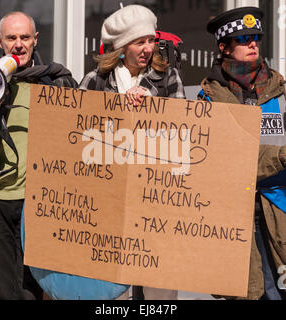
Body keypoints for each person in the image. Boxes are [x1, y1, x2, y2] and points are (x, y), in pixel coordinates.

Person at [79, 4, 185, 300]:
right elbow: (74, 134)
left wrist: (151, 102)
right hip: (108, 207)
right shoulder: (95, 81)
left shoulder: (168, 79)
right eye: (140, 42)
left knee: (158, 295)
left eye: (151, 40)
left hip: (156, 205)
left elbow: (183, 134)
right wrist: (114, 110)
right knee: (113, 295)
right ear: (122, 47)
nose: (148, 48)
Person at [0, 11, 77, 300]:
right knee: (4, 290)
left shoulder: (56, 81)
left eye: (25, 37)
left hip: (37, 202)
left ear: (35, 40)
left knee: (30, 291)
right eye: (11, 38)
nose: (19, 44)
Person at [198, 7, 286, 300]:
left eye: (256, 38)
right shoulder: (208, 99)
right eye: (243, 39)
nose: (253, 44)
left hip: (280, 211)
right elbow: (226, 160)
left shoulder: (280, 91)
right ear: (224, 47)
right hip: (236, 218)